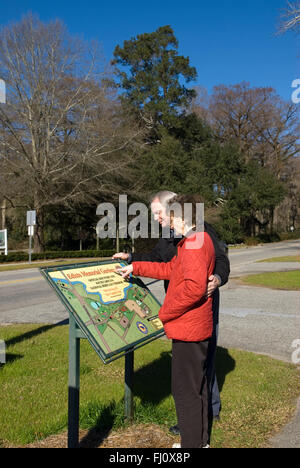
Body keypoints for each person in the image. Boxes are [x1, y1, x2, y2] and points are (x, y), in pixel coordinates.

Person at [113, 191, 230, 429]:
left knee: (200, 362)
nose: (156, 218)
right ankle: (195, 425)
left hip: (199, 304)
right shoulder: (170, 235)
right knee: (190, 368)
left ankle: (207, 414)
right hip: (180, 306)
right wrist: (132, 259)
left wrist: (216, 279)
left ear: (173, 210)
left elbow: (221, 259)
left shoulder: (199, 231)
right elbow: (161, 261)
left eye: (158, 213)